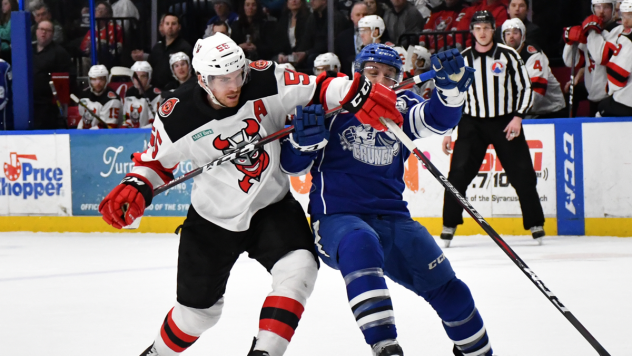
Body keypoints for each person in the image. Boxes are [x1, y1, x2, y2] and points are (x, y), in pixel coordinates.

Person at [97, 32, 402, 356]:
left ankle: (265, 351)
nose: (233, 85)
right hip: (213, 218)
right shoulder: (176, 115)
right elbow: (155, 163)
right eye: (222, 79)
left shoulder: (266, 78)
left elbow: (321, 88)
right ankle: (157, 352)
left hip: (270, 205)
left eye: (237, 74)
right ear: (202, 78)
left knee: (300, 267)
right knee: (198, 317)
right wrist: (137, 184)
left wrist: (357, 91)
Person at [279, 43, 492, 356]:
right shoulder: (330, 103)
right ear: (357, 74)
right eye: (372, 72)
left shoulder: (402, 104)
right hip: (338, 219)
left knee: (451, 291)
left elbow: (438, 119)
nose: (381, 79)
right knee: (360, 243)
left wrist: (451, 89)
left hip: (393, 219)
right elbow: (290, 166)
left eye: (389, 75)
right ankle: (385, 347)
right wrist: (301, 143)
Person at [441, 11, 544, 247]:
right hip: (471, 123)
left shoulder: (508, 55)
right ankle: (449, 224)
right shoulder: (463, 59)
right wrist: (448, 130)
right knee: (457, 174)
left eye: (487, 27)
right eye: (478, 28)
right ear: (472, 31)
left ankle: (535, 223)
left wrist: (518, 116)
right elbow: (452, 96)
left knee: (523, 174)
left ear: (493, 29)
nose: (483, 32)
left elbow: (525, 88)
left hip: (504, 121)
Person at [563, 0, 622, 116]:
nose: (601, 11)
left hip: (611, 96)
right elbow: (571, 62)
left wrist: (592, 30)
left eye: (606, 7)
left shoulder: (617, 30)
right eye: (597, 7)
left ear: (614, 7)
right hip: (593, 92)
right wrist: (570, 43)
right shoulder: (590, 30)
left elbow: (600, 57)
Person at [501, 18, 565, 117]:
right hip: (525, 111)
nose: (511, 37)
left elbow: (537, 93)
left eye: (515, 33)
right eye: (508, 33)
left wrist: (514, 111)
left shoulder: (534, 56)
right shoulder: (503, 58)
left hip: (551, 111)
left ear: (523, 36)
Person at [132, 13, 192, 89]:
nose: (170, 26)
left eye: (173, 24)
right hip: (156, 91)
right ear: (162, 26)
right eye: (167, 24)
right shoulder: (157, 46)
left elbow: (188, 73)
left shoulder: (185, 47)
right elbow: (150, 67)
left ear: (179, 27)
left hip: (176, 90)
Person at [32, 19, 72, 130]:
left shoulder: (60, 53)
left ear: (52, 34)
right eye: (41, 29)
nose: (43, 32)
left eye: (47, 30)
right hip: (29, 101)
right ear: (36, 31)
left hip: (48, 105)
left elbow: (67, 78)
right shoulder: (28, 50)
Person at [293, 0, 351, 72]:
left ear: (324, 1)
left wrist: (306, 53)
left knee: (312, 58)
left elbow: (331, 43)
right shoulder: (312, 17)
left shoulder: (335, 17)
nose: (311, 1)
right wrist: (298, 53)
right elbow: (306, 39)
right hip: (313, 52)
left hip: (331, 55)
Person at [598, 0, 632, 116]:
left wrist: (610, 91)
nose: (625, 20)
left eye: (630, 15)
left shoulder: (628, 39)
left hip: (627, 102)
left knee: (601, 110)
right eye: (623, 15)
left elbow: (617, 76)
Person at [79, 1, 124, 68]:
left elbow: (113, 47)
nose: (99, 11)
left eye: (102, 9)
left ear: (108, 14)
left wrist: (98, 45)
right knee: (83, 61)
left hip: (108, 60)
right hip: (92, 58)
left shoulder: (114, 27)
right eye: (97, 9)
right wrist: (88, 48)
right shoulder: (92, 29)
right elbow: (83, 47)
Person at [77, 65, 122, 129]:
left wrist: (87, 134)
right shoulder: (84, 95)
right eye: (94, 79)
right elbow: (82, 118)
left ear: (107, 79)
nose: (98, 83)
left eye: (101, 79)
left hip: (105, 137)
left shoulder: (113, 100)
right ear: (89, 80)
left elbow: (108, 127)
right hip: (85, 134)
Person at [122, 61, 162, 128]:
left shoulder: (156, 95)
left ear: (149, 78)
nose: (139, 79)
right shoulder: (129, 93)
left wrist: (139, 133)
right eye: (136, 77)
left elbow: (155, 124)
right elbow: (126, 118)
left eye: (143, 76)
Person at [334, 1, 368, 76]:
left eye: (365, 14)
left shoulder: (379, 33)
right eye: (358, 15)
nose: (361, 18)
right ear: (351, 17)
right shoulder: (342, 38)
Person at [274, 0, 310, 64]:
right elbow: (279, 40)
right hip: (287, 55)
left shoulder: (308, 17)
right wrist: (281, 53)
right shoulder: (283, 19)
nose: (294, 1)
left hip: (302, 55)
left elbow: (306, 40)